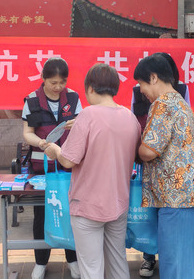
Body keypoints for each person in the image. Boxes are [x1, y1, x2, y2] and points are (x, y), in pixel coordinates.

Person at [44, 63, 141, 279]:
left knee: (91, 267)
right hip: (119, 203)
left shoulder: (87, 115)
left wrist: (55, 150)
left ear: (89, 88)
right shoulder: (129, 117)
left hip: (88, 205)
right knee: (117, 261)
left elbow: (68, 160)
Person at [134, 53, 194, 279]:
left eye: (142, 83)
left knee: (174, 264)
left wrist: (137, 147)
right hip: (184, 196)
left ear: (153, 77)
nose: (142, 90)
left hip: (174, 198)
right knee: (182, 262)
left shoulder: (162, 104)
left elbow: (148, 151)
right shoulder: (180, 102)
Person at [21, 57, 81, 279]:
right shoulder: (32, 100)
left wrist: (78, 124)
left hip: (68, 167)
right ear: (43, 79)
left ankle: (72, 260)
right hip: (42, 170)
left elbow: (84, 127)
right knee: (41, 215)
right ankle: (40, 262)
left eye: (62, 82)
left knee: (70, 214)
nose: (58, 87)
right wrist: (41, 143)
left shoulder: (73, 98)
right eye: (53, 82)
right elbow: (27, 132)